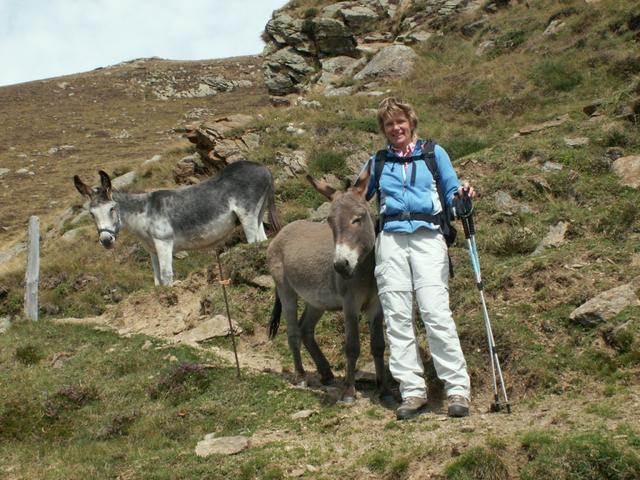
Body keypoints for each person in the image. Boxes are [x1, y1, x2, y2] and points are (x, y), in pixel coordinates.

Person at [365, 97, 474, 420]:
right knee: (397, 315)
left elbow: (452, 193)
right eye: (388, 124)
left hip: (428, 237)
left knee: (435, 312)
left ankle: (457, 389)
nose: (395, 128)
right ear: (383, 130)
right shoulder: (378, 161)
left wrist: (463, 198)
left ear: (411, 123)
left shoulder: (432, 153)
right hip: (391, 241)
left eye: (400, 122)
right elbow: (357, 196)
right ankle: (412, 391)